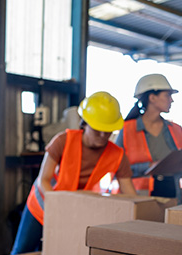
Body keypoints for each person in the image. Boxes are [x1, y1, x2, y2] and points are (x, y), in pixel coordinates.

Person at [11, 91, 136, 254]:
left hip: (73, 210)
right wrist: (57, 207)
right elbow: (44, 180)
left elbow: (130, 195)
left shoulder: (117, 155)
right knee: (22, 251)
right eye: (98, 130)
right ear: (84, 124)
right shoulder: (63, 141)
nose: (103, 135)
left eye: (108, 131)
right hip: (42, 205)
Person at [115, 74, 182, 204]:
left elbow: (181, 166)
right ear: (152, 97)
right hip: (139, 197)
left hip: (173, 195)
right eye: (167, 95)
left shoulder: (176, 129)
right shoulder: (127, 129)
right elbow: (116, 168)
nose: (171, 100)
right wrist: (149, 167)